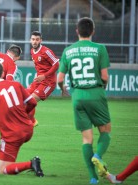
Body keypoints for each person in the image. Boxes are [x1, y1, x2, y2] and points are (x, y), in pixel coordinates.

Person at [57, 17, 112, 184]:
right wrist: (102, 87)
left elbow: (59, 78)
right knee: (105, 131)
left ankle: (93, 178)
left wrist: (63, 89)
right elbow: (104, 77)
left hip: (78, 96)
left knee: (86, 139)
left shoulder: (68, 51)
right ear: (93, 31)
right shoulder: (100, 49)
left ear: (77, 31)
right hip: (95, 93)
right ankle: (97, 156)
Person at [0, 61, 43, 177]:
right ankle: (3, 162)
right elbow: (33, 102)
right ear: (3, 73)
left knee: (3, 170)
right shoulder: (16, 85)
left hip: (12, 134)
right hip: (28, 129)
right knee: (5, 148)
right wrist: (24, 114)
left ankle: (31, 164)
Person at [27, 31, 60, 125]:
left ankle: (29, 122)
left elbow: (56, 64)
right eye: (33, 39)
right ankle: (31, 121)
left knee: (30, 101)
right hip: (39, 80)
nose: (35, 42)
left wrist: (44, 76)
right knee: (23, 97)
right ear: (30, 40)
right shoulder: (32, 51)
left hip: (48, 82)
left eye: (37, 39)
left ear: (41, 40)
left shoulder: (46, 51)